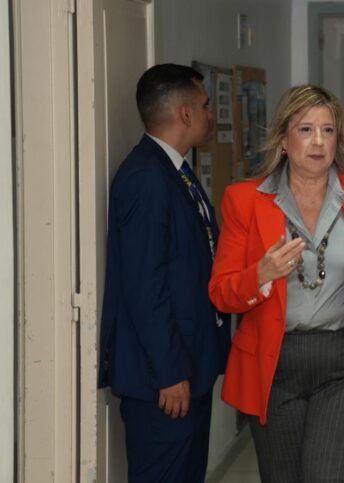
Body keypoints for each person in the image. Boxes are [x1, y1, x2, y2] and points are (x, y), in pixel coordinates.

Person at [208, 84, 344, 483]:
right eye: (306, 130)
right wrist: (260, 274)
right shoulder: (244, 201)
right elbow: (222, 293)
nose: (318, 141)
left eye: (328, 131)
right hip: (273, 366)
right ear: (283, 139)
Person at [98, 64, 230, 482]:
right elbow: (144, 286)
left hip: (189, 371)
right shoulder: (146, 178)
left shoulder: (175, 172)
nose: (210, 114)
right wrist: (170, 371)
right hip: (165, 383)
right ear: (185, 113)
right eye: (205, 105)